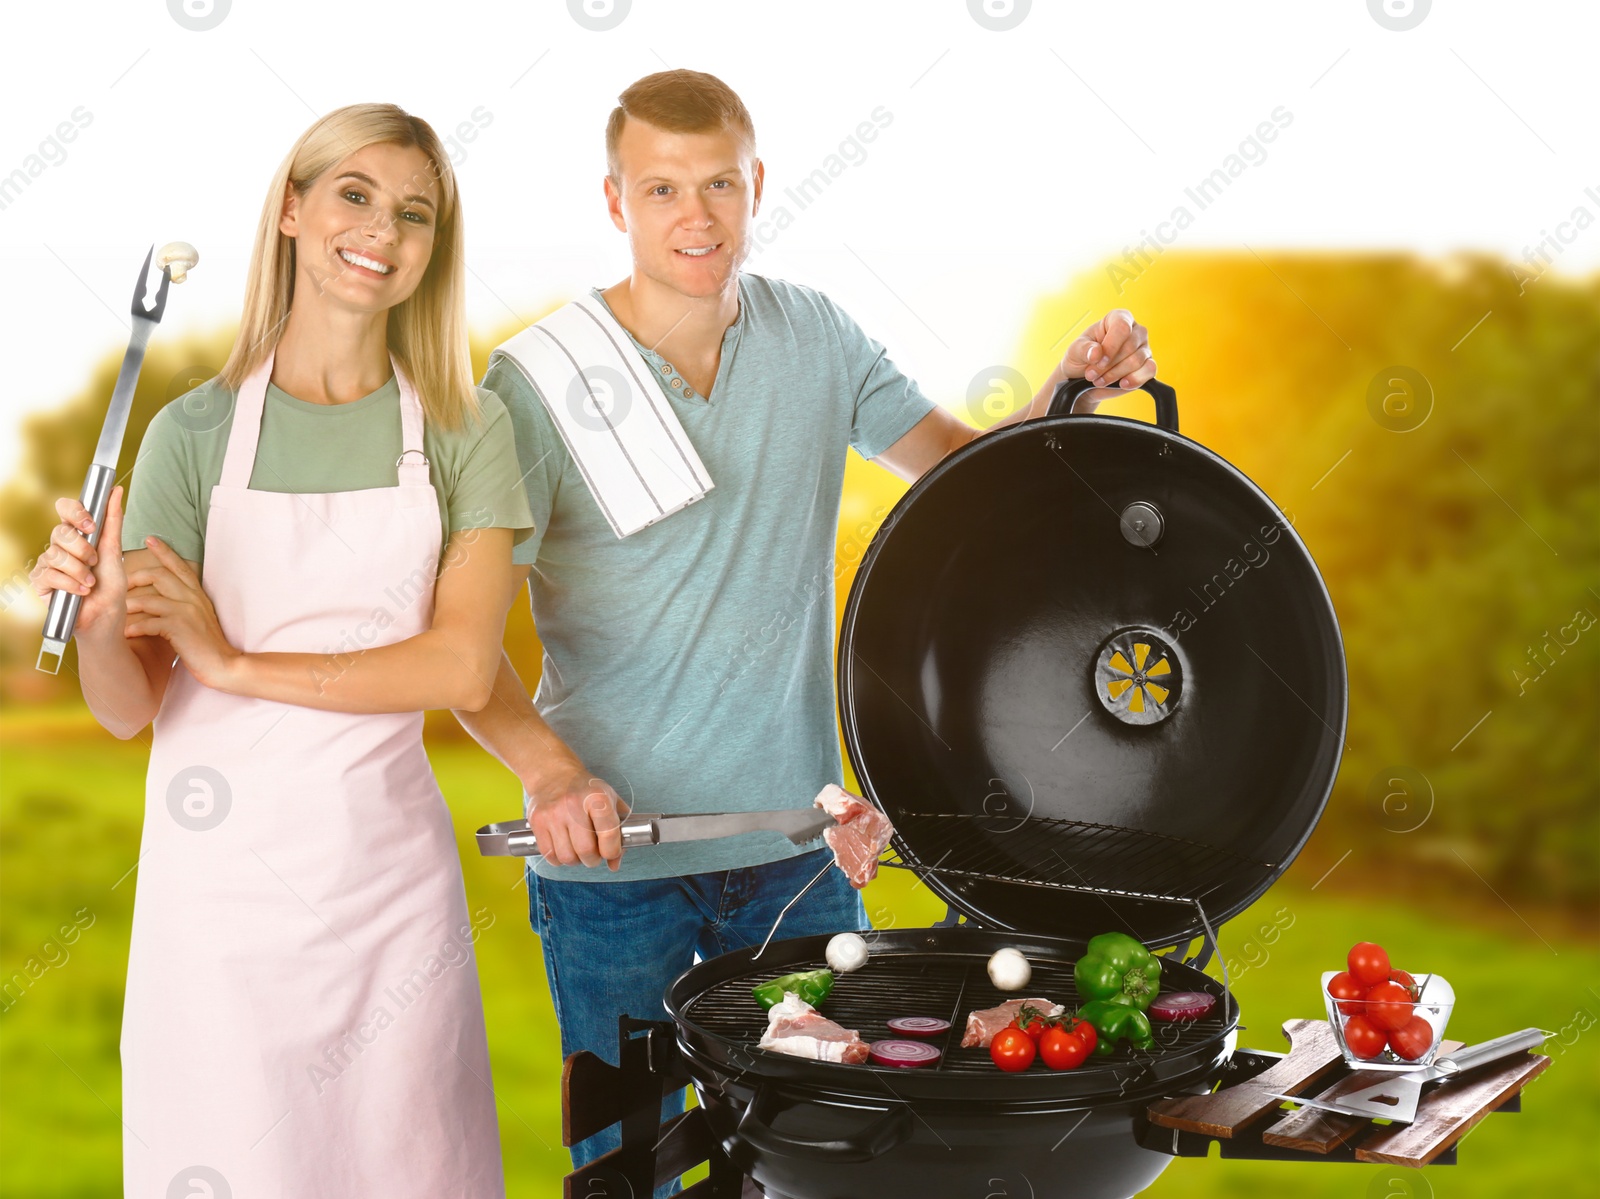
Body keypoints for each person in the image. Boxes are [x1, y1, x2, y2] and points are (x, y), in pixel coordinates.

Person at [451, 70, 1158, 1194]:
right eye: (662, 188)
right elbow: (460, 639)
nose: (696, 216)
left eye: (719, 183)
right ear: (613, 201)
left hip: (794, 858)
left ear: (756, 184)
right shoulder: (536, 385)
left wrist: (1066, 392)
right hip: (612, 869)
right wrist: (548, 773)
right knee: (630, 1168)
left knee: (834, 1162)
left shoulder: (815, 335)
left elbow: (962, 481)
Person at [28, 103, 534, 1198]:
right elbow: (127, 707)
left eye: (414, 213)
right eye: (354, 194)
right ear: (294, 210)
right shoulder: (190, 433)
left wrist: (239, 663)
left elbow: (457, 667)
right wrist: (107, 614)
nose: (382, 231)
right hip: (217, 915)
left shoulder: (464, 427)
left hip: (388, 900)